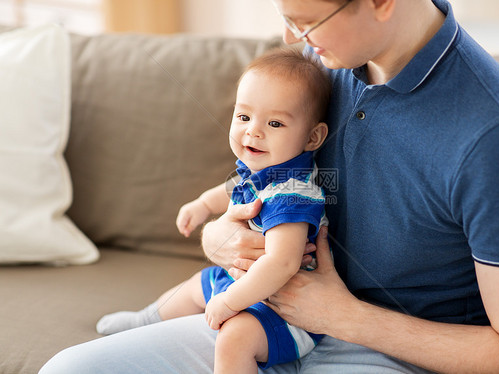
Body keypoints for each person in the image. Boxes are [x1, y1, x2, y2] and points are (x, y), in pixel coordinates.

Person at [40, 0, 499, 373]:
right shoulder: (320, 64)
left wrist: (342, 316)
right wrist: (222, 238)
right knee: (69, 368)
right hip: (271, 317)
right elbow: (254, 188)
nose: (293, 37)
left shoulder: (498, 136)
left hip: (395, 353)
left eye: (306, 20)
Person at [100, 48, 330, 372]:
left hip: (287, 308)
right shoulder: (264, 170)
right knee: (196, 286)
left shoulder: (292, 195)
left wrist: (230, 302)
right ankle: (145, 320)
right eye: (244, 117)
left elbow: (283, 262)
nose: (253, 131)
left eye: (275, 123)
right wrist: (203, 205)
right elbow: (231, 189)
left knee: (234, 339)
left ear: (312, 137)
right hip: (246, 284)